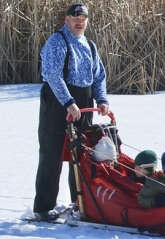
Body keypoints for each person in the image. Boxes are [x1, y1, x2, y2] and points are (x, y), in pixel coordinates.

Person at [33, 2, 110, 221]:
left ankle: (80, 204)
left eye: (83, 18)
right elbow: (52, 75)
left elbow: (99, 76)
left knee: (81, 155)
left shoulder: (90, 45)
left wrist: (102, 99)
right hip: (59, 102)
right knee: (53, 154)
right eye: (75, 18)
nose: (79, 21)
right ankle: (44, 208)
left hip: (84, 102)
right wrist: (68, 102)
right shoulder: (57, 41)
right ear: (67, 20)